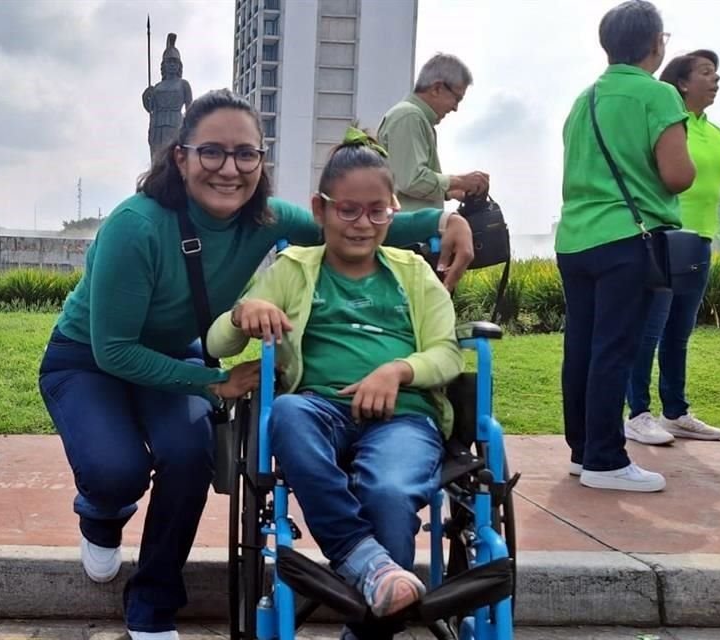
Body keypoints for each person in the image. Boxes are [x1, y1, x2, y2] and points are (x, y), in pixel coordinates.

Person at [37, 89, 475, 639]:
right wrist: (216, 380)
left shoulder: (265, 218)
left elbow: (353, 222)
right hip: (90, 358)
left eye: (246, 154)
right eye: (212, 152)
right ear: (181, 157)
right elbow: (115, 350)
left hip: (175, 353)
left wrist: (445, 221)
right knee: (114, 470)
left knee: (189, 456)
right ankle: (100, 513)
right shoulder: (137, 225)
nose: (230, 168)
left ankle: (151, 605)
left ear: (260, 161)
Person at [207, 130, 463, 640]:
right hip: (319, 409)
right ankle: (365, 560)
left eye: (377, 212)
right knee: (286, 414)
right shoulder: (294, 268)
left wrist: (398, 371)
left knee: (390, 491)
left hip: (404, 417)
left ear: (392, 210)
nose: (363, 225)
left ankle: (367, 626)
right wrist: (244, 311)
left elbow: (448, 352)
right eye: (347, 210)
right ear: (320, 208)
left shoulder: (413, 273)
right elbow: (217, 344)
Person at [555, 0, 694, 492]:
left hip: (574, 238)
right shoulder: (656, 96)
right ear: (656, 44)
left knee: (583, 347)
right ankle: (606, 459)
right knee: (615, 348)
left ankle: (583, 451)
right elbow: (678, 175)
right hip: (626, 238)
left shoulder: (583, 100)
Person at [624, 49, 720, 444]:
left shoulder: (715, 134)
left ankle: (675, 413)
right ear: (681, 82)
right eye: (706, 72)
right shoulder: (666, 123)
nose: (715, 80)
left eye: (717, 73)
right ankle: (638, 413)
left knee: (679, 333)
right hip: (662, 239)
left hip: (698, 244)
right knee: (649, 330)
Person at [378, 53, 489, 291]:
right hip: (407, 243)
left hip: (409, 242)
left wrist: (451, 192)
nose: (456, 108)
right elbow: (411, 180)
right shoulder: (409, 116)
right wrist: (460, 181)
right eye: (456, 98)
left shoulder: (413, 117)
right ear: (437, 88)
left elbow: (404, 179)